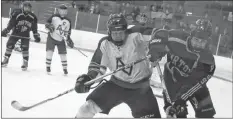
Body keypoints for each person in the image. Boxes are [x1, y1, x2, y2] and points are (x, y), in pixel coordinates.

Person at [74, 13, 161, 118]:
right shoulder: (105, 44)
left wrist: (157, 48)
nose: (118, 36)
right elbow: (97, 67)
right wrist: (88, 79)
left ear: (126, 30)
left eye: (120, 32)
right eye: (114, 33)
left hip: (141, 89)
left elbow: (159, 35)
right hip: (116, 85)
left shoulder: (136, 34)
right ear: (109, 32)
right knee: (85, 109)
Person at [148, 19, 216, 118]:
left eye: (202, 42)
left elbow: (193, 84)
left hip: (195, 86)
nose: (198, 44)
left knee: (206, 115)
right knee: (177, 115)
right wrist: (155, 51)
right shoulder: (177, 38)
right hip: (172, 83)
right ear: (191, 35)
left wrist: (180, 100)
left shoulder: (208, 61)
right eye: (196, 39)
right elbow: (158, 33)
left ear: (208, 42)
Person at [1, 1, 41, 71]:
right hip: (15, 33)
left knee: (25, 48)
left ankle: (25, 63)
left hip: (25, 34)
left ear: (30, 9)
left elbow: (34, 28)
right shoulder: (17, 14)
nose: (27, 9)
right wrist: (6, 30)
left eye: (29, 8)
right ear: (23, 7)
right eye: (26, 7)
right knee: (9, 45)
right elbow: (11, 23)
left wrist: (36, 36)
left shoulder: (33, 17)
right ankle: (6, 59)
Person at [45, 4, 74, 75]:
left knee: (63, 53)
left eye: (65, 11)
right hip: (51, 37)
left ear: (66, 12)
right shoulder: (54, 17)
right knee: (49, 52)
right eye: (61, 10)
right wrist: (49, 26)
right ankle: (48, 67)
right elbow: (47, 24)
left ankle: (65, 69)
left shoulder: (68, 21)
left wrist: (68, 38)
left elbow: (68, 32)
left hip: (61, 39)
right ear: (58, 10)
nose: (63, 12)